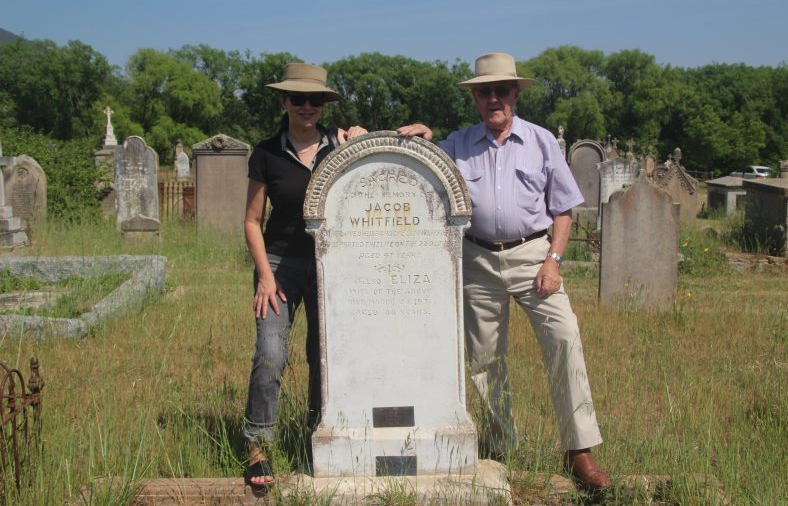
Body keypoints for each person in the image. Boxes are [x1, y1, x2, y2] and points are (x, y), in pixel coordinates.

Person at [398, 53, 611, 491]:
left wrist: (554, 260)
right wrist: (422, 140)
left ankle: (579, 450)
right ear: (475, 98)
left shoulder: (541, 141)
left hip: (534, 256)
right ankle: (501, 448)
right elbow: (421, 174)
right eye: (484, 91)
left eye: (501, 90)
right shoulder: (457, 144)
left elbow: (564, 209)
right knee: (485, 359)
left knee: (564, 340)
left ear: (515, 93)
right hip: (476, 259)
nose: (493, 98)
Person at [243, 62, 367, 487]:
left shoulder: (342, 146)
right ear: (284, 101)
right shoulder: (266, 152)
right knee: (271, 352)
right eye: (299, 99)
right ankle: (258, 446)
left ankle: (319, 436)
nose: (308, 106)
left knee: (325, 357)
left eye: (316, 99)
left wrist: (365, 139)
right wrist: (264, 276)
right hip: (279, 264)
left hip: (331, 266)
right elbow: (251, 221)